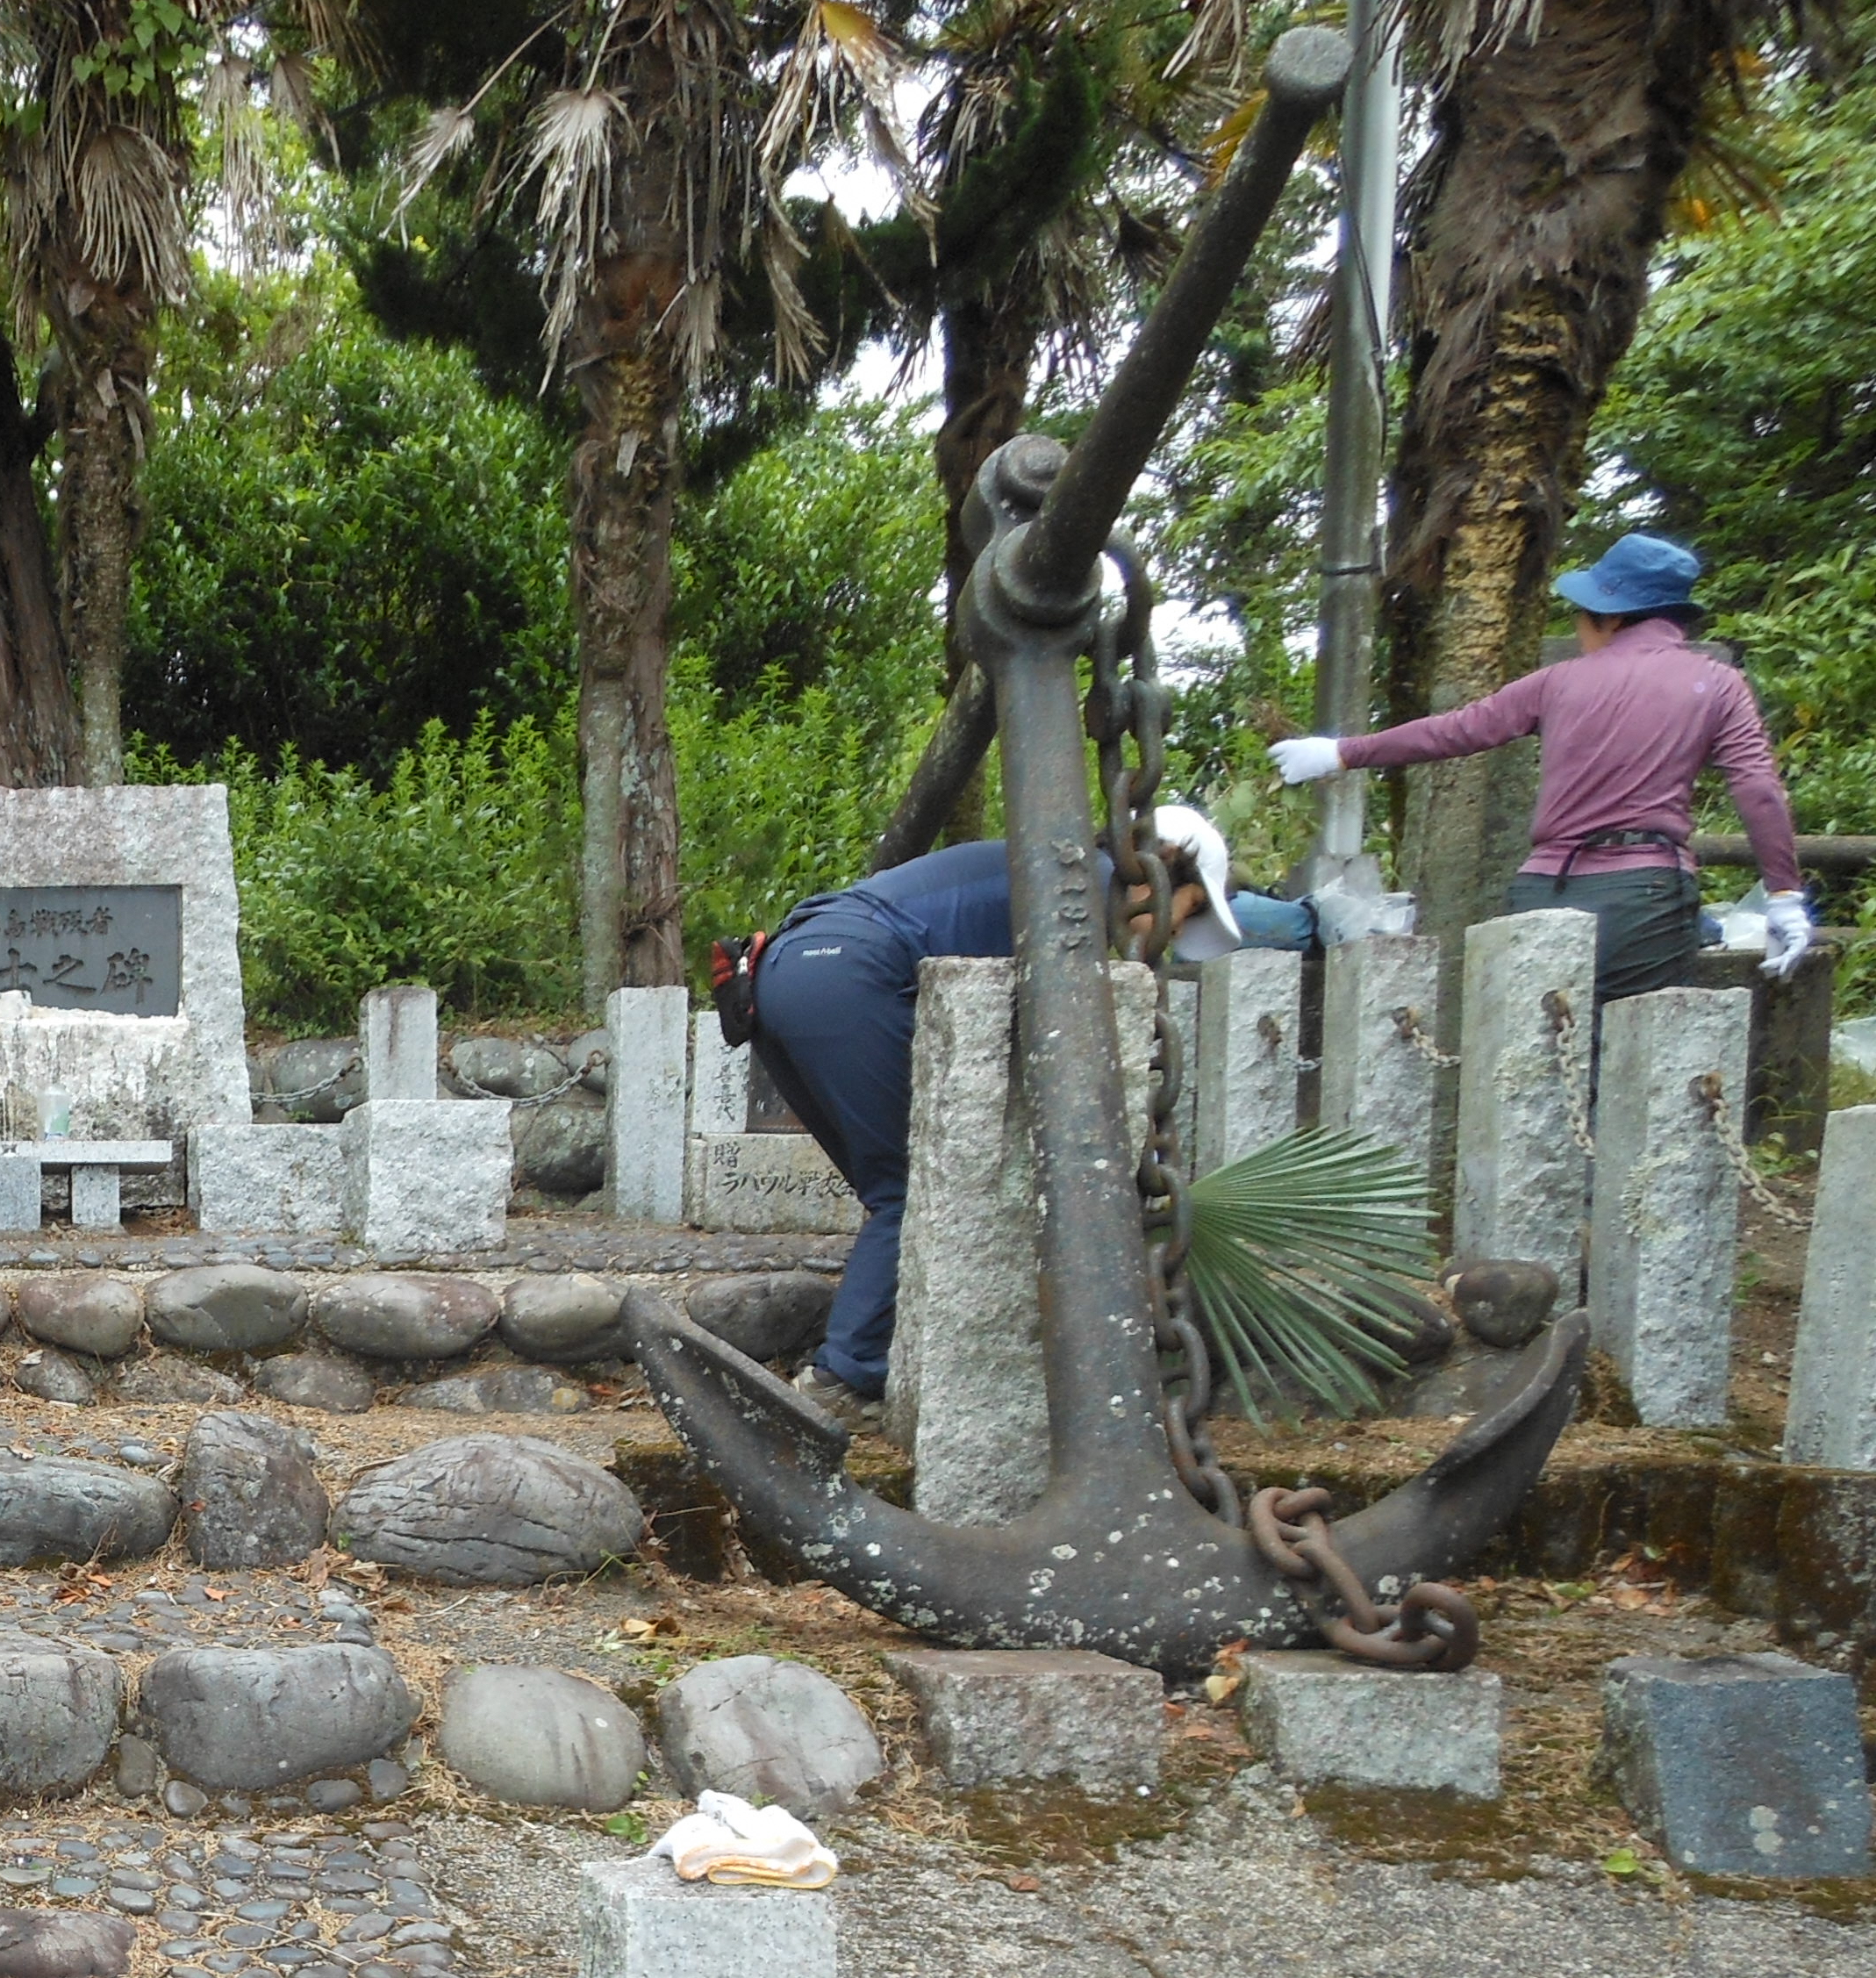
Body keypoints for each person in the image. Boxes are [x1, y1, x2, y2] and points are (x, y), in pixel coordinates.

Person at [738, 809, 1277, 1436]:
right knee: (915, 1190)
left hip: (787, 970)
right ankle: (843, 1378)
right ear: (1154, 871)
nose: (1169, 933)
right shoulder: (1079, 889)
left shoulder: (1051, 868)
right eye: (1182, 909)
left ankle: (872, 1353)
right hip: (852, 970)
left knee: (894, 1190)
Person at [1270, 532, 1812, 1003]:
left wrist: (1340, 753)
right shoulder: (1718, 684)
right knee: (1633, 1059)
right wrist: (1784, 896)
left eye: (1583, 611)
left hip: (1540, 892)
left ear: (1613, 614)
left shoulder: (1556, 683)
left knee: (1537, 1058)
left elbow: (1454, 730)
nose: (1579, 626)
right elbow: (1757, 788)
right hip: (1643, 895)